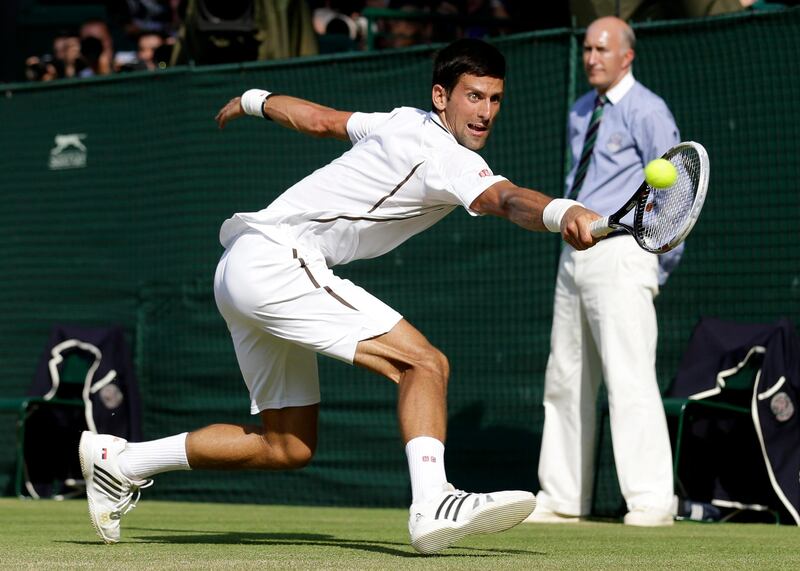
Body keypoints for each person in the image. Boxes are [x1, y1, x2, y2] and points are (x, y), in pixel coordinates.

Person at [79, 38, 601, 553]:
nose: (485, 112)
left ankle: (119, 462)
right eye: (473, 96)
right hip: (278, 262)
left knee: (287, 445)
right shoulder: (446, 156)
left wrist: (255, 99)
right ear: (442, 96)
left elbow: (323, 121)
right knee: (424, 364)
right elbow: (505, 199)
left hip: (239, 264)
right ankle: (432, 502)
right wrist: (563, 212)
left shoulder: (399, 120)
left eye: (494, 99)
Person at [526, 16, 680, 527]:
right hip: (575, 254)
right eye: (588, 48)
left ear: (626, 57)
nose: (591, 56)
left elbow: (674, 199)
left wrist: (651, 264)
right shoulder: (579, 111)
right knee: (565, 377)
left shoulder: (649, 111)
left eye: (601, 49)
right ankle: (562, 496)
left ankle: (653, 500)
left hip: (624, 253)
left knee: (629, 376)